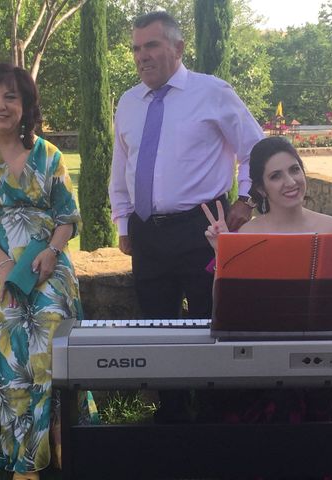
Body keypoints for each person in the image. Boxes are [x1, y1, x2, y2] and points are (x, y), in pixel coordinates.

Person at [0, 63, 82, 480]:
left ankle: (59, 435)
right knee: (9, 327)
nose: (0, 105)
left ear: (26, 106)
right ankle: (26, 452)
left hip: (47, 262)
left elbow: (67, 217)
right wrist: (6, 265)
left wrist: (51, 253)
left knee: (49, 327)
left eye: (10, 97)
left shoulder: (50, 156)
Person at [109, 11, 264, 322]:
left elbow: (257, 151)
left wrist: (247, 201)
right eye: (136, 49)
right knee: (154, 326)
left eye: (151, 45)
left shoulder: (212, 92)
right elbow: (121, 168)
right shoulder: (129, 102)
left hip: (202, 229)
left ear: (178, 49)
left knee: (209, 324)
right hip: (147, 235)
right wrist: (124, 225)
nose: (142, 56)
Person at [201, 135, 332, 426]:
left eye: (295, 170)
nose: (290, 182)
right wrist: (222, 255)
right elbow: (221, 312)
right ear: (261, 188)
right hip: (263, 364)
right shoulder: (245, 237)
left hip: (322, 360)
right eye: (276, 176)